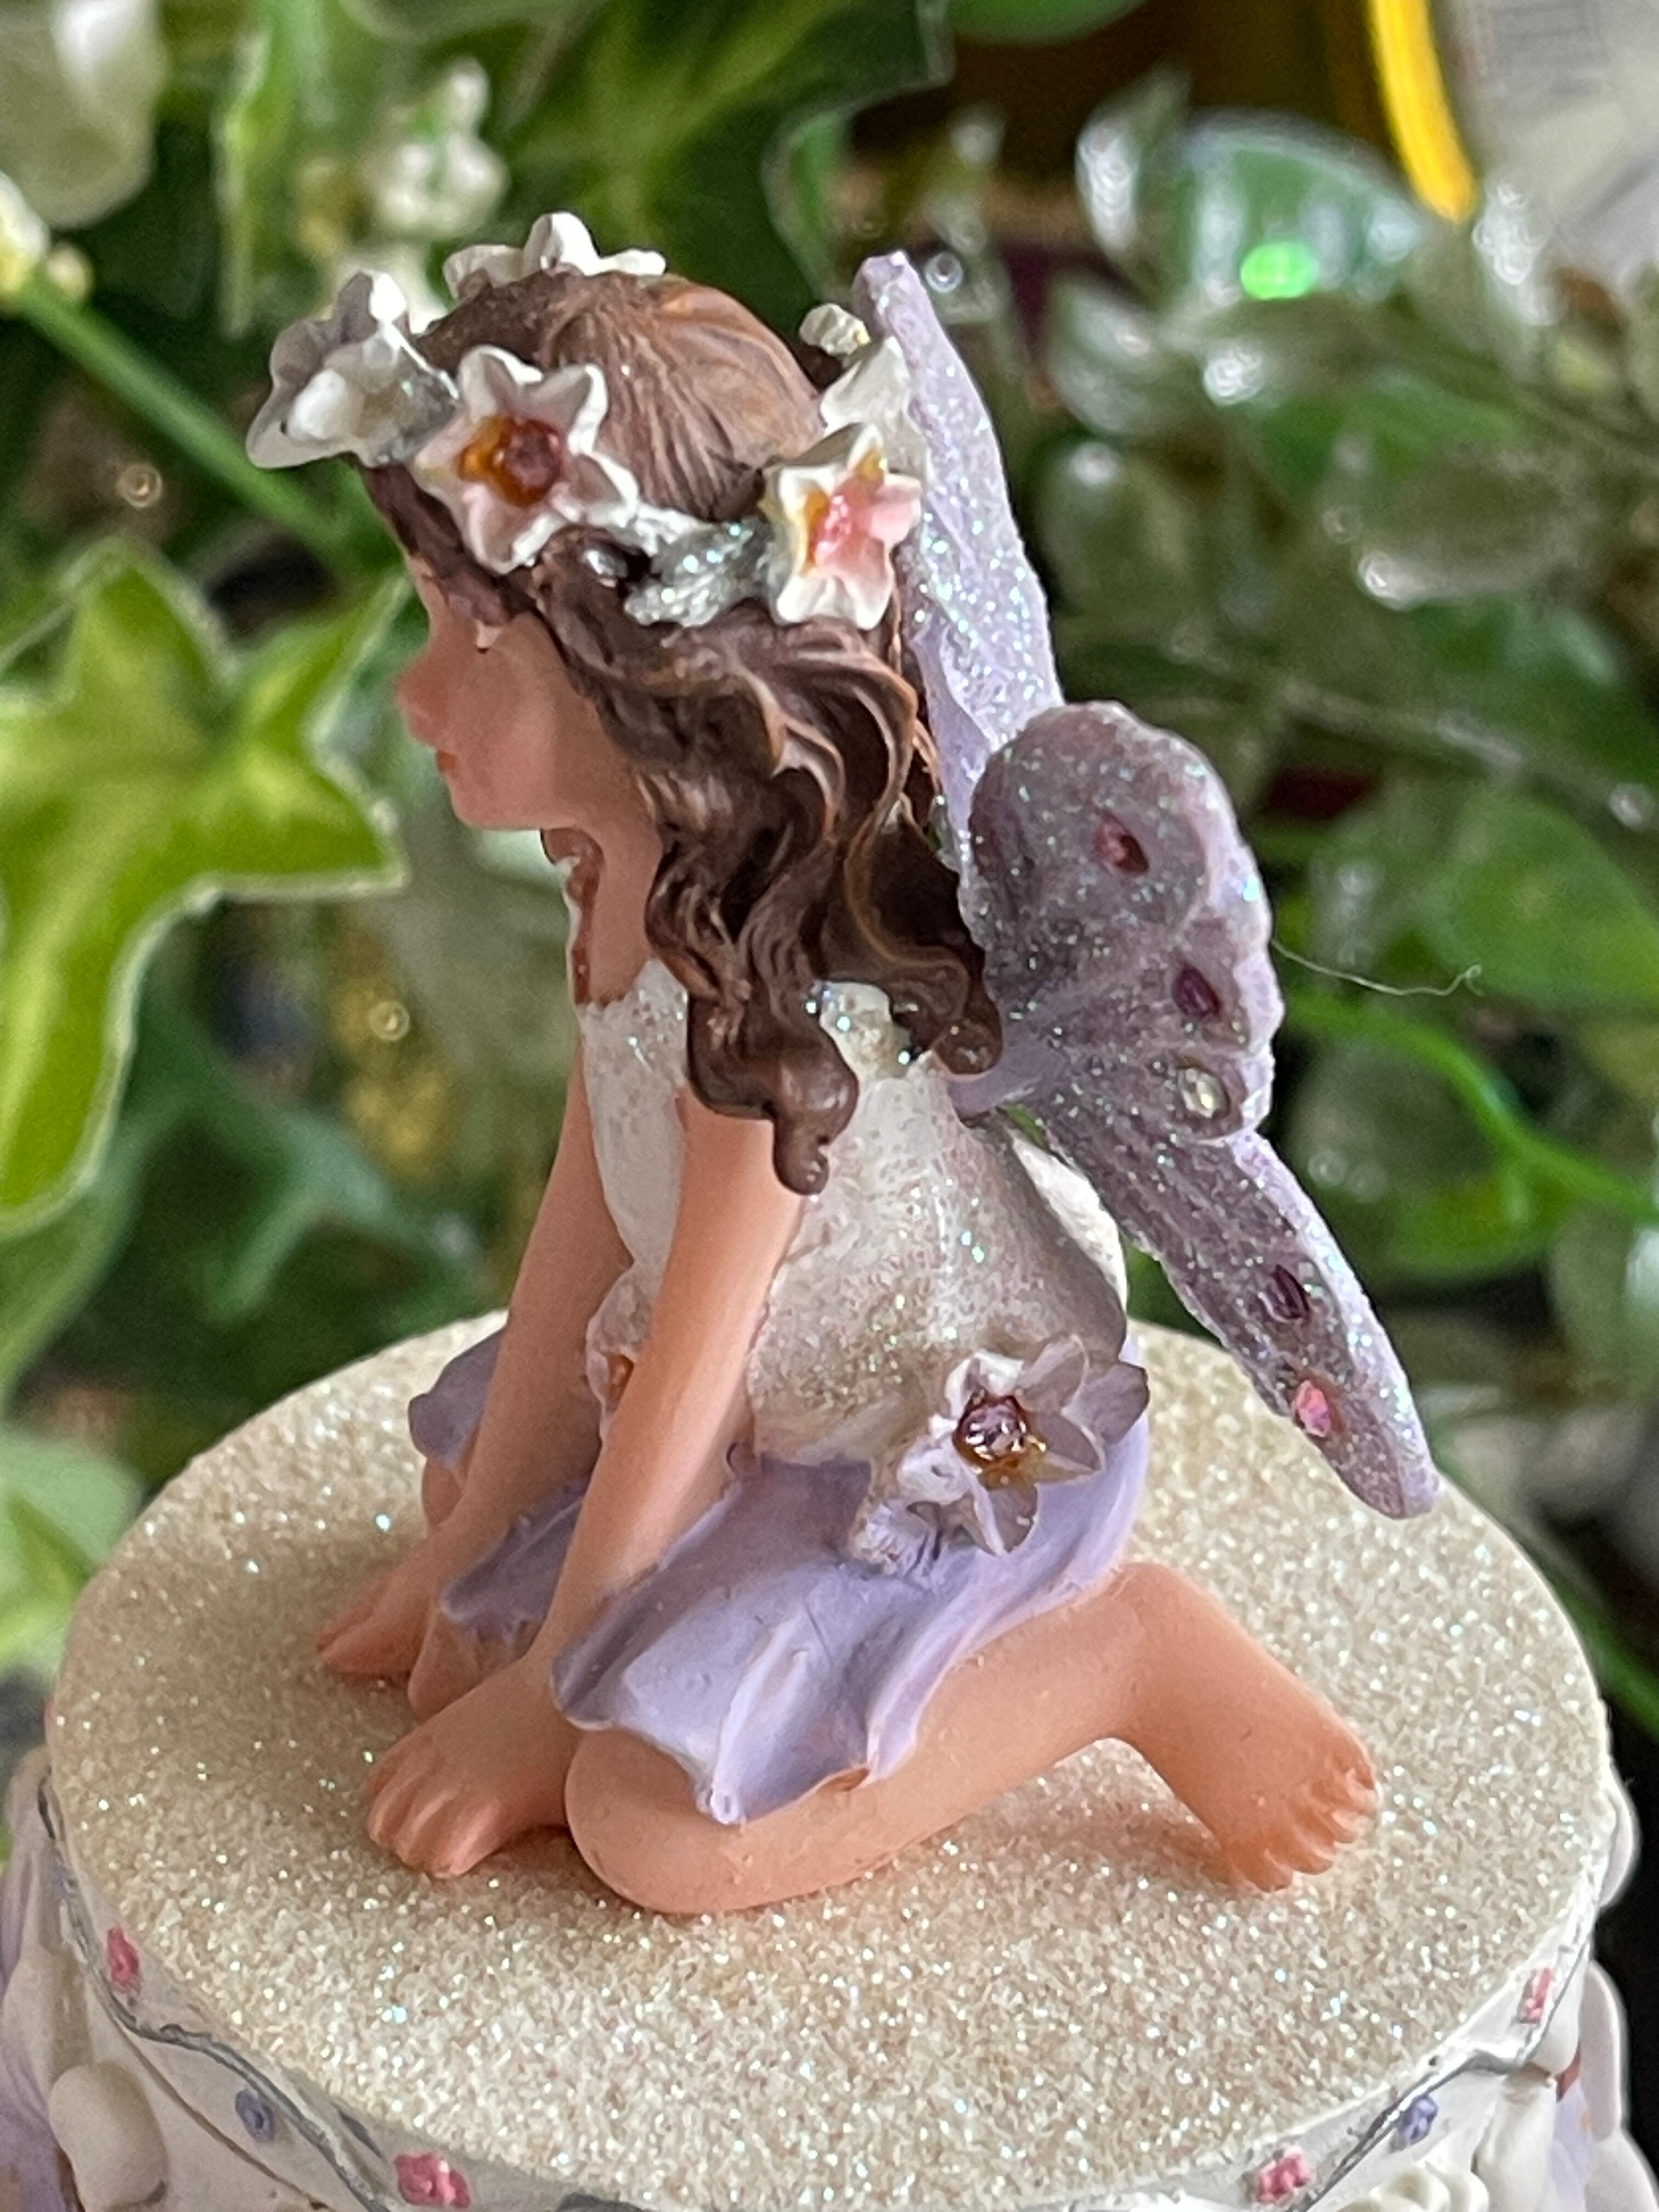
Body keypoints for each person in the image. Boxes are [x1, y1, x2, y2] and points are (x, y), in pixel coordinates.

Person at [247, 219, 1396, 1914]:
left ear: (659, 681)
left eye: (473, 641)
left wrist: (551, 1694)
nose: (420, 696)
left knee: (650, 1828)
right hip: (754, 1421)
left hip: (927, 1441)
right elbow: (590, 1217)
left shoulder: (778, 1006)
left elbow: (702, 1352)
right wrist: (472, 1541)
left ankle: (1127, 1659)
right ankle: (579, 1594)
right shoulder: (620, 888)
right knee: (462, 1498)